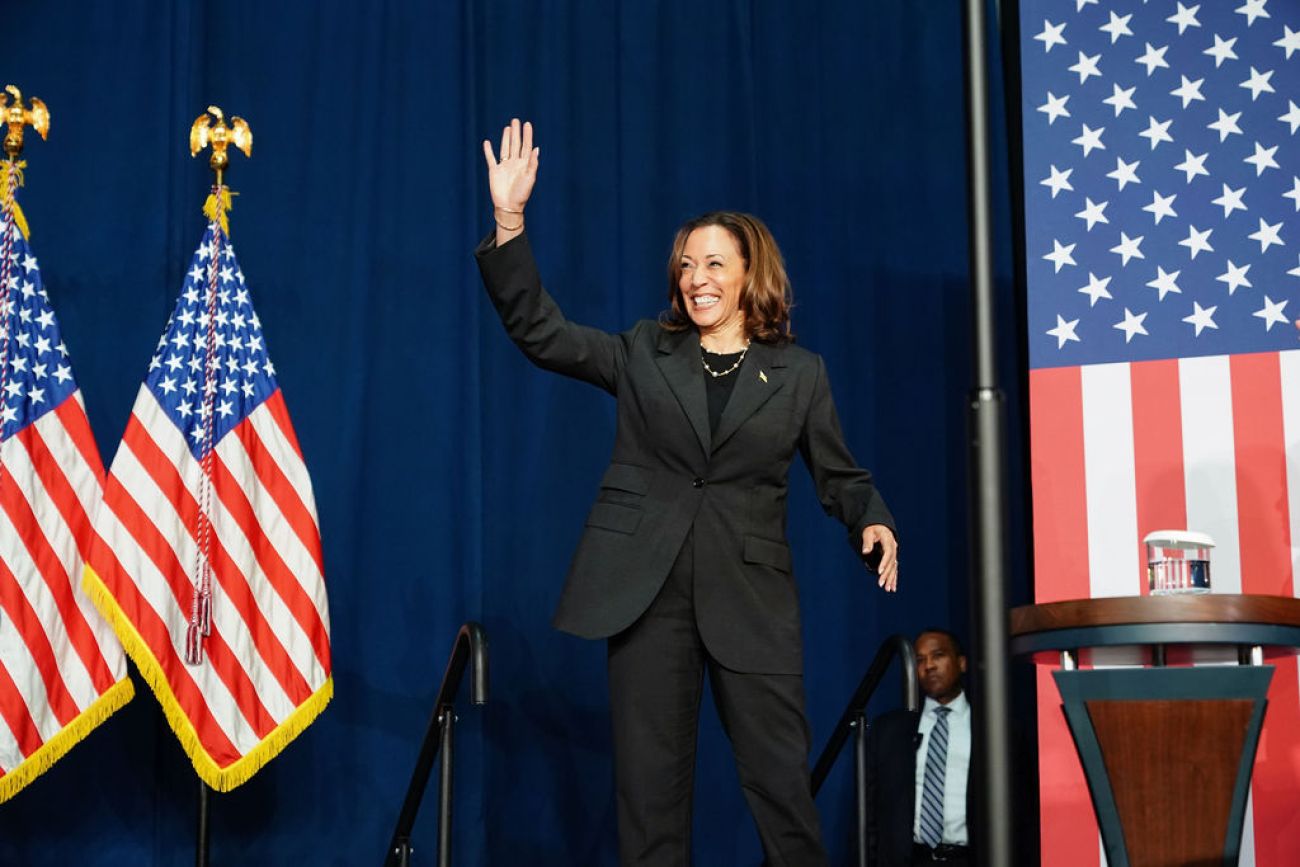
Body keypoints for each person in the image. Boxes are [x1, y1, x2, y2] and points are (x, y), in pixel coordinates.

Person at [475, 118, 899, 866]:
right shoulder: (645, 350)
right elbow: (542, 332)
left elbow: (838, 471)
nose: (696, 277)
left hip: (751, 596)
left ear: (749, 273)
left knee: (781, 790)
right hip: (647, 591)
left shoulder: (800, 373)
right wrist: (511, 221)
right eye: (685, 265)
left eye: (713, 263)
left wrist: (870, 519)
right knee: (650, 801)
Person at [866, 629, 973, 867]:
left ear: (961, 663)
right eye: (920, 660)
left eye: (938, 655)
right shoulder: (889, 732)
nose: (929, 666)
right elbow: (870, 814)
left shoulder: (992, 728)